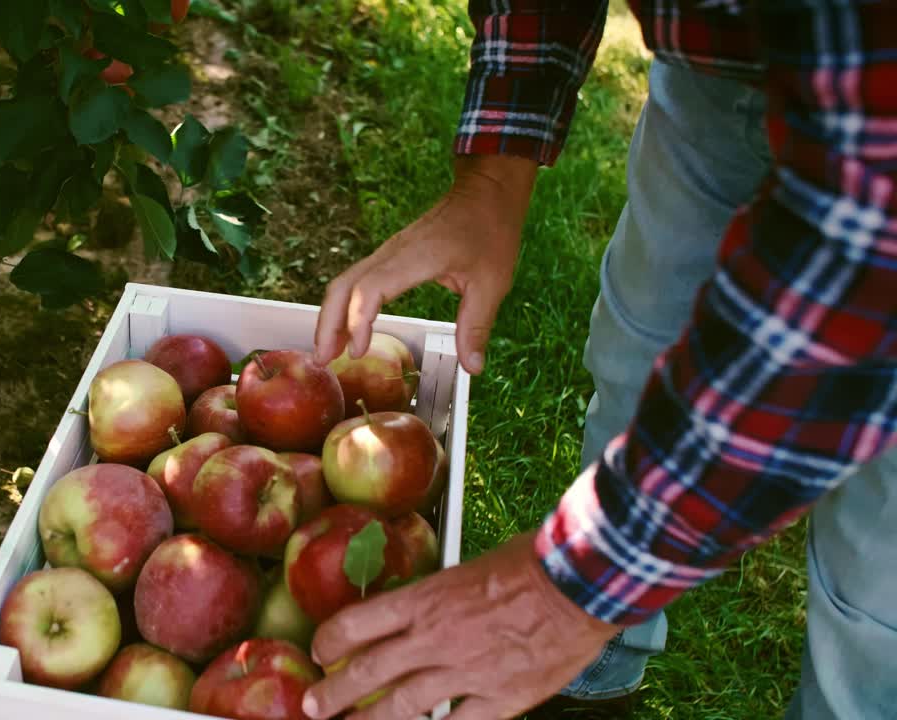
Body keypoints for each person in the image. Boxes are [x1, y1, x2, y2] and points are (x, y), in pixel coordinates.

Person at [301, 0, 896, 717]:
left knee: (880, 571)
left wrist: (576, 583)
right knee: (638, 360)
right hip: (716, 65)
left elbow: (859, 261)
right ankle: (598, 661)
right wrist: (493, 178)